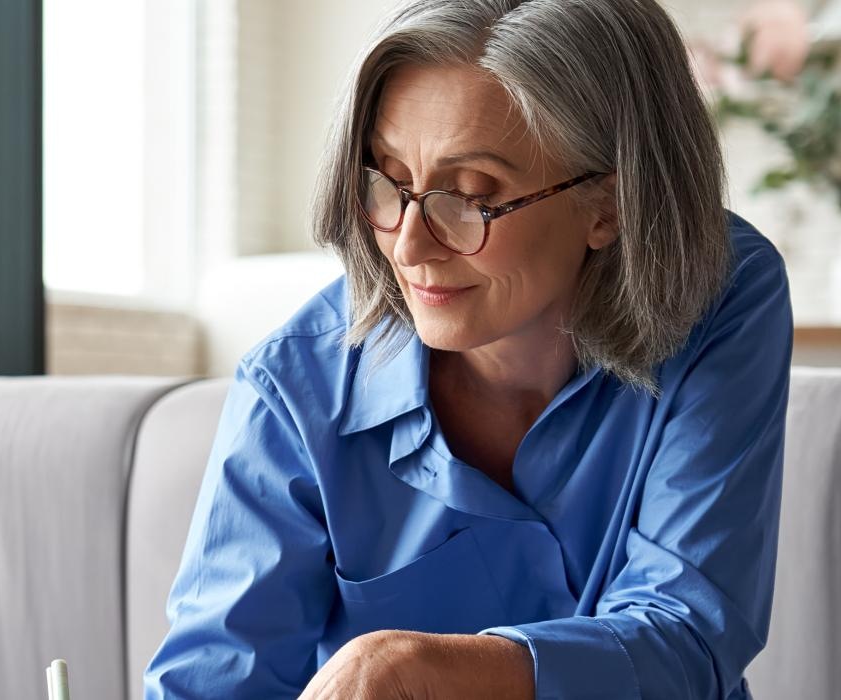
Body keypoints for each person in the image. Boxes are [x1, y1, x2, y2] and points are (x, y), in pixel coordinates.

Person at [143, 0, 792, 698]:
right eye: (387, 183)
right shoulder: (294, 387)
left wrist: (422, 668)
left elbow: (689, 639)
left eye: (471, 196)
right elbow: (209, 685)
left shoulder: (720, 294)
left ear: (610, 205)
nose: (410, 246)